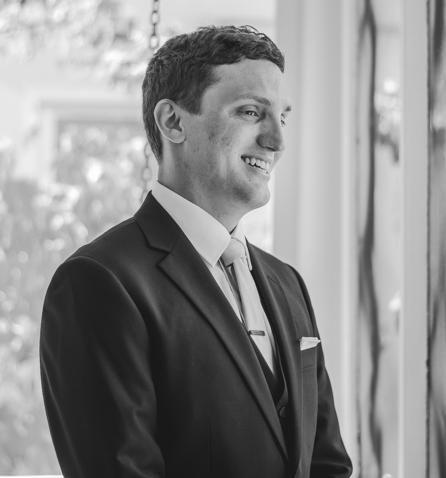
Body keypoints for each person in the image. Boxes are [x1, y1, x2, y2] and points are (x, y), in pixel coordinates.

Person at [40, 25, 352, 478]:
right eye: (250, 112)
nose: (277, 142)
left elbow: (326, 465)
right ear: (173, 122)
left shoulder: (288, 284)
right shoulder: (98, 281)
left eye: (282, 117)